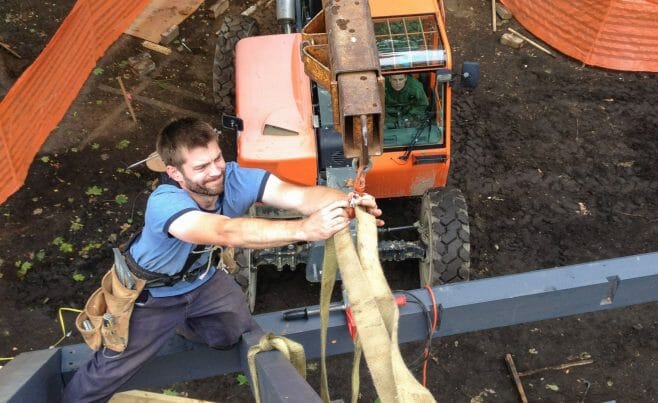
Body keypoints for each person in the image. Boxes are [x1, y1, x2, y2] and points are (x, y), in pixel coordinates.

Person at [62, 117, 383, 402]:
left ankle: (188, 325)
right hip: (153, 297)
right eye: (201, 167)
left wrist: (347, 200)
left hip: (203, 281)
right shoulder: (164, 203)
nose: (216, 171)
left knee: (233, 332)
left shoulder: (232, 177)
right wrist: (304, 229)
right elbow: (223, 231)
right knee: (111, 370)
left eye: (217, 158)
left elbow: (298, 195)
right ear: (174, 172)